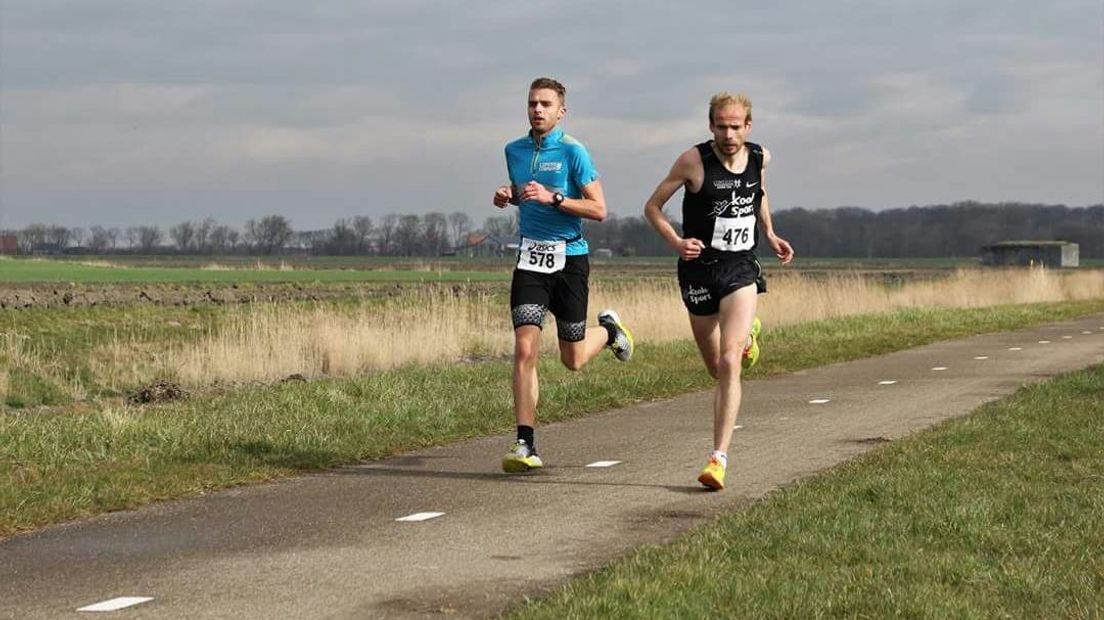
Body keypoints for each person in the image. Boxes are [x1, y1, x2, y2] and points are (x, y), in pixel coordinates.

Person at [643, 92, 794, 490]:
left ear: (748, 126)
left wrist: (770, 233)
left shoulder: (760, 157)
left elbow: (757, 194)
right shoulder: (693, 162)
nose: (729, 134)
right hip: (698, 271)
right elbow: (653, 207)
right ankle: (747, 341)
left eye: (736, 126)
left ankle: (718, 458)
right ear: (711, 126)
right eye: (721, 126)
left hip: (740, 268)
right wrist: (677, 242)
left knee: (729, 363)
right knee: (715, 367)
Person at [492, 77, 634, 473]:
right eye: (532, 103)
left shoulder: (574, 152)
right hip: (531, 260)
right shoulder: (514, 150)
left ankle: (608, 331)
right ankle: (525, 443)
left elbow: (599, 209)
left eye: (546, 104)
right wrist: (506, 195)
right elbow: (523, 193)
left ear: (561, 111)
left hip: (570, 260)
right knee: (525, 348)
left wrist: (555, 198)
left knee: (572, 357)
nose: (537, 110)